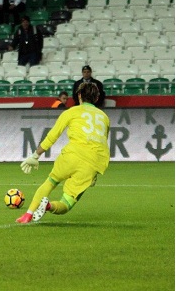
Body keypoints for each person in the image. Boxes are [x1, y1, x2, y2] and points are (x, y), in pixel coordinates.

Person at [16, 82, 110, 223]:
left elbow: (53, 135)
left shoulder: (71, 112)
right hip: (91, 165)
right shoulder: (104, 117)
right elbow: (101, 143)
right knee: (67, 203)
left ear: (79, 96)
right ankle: (48, 206)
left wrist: (36, 155)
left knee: (50, 182)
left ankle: (27, 215)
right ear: (97, 98)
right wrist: (95, 172)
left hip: (71, 156)